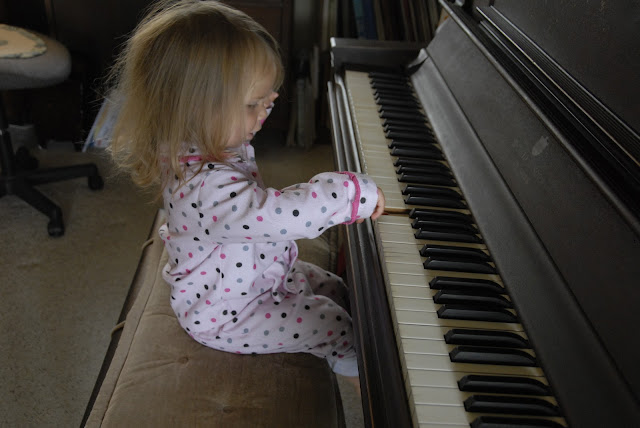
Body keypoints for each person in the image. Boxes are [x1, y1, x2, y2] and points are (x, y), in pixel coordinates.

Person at [106, 0, 385, 386]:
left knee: (337, 289)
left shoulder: (203, 144)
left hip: (255, 275)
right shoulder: (204, 187)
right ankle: (373, 393)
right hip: (227, 311)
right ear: (195, 107)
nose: (265, 114)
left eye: (268, 101)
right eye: (254, 104)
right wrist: (348, 195)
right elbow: (277, 214)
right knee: (334, 324)